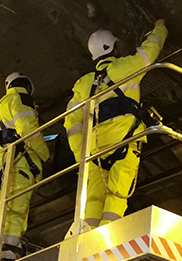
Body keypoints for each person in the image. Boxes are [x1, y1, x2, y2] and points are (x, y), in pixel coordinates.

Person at [64, 19, 168, 228]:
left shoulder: (83, 84)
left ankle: (86, 246)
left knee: (93, 200)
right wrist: (161, 28)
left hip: (94, 151)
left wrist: (81, 156)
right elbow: (150, 50)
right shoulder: (126, 66)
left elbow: (72, 123)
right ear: (114, 47)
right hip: (124, 140)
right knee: (117, 194)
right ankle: (105, 248)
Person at [0, 72, 50, 261]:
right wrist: (45, 154)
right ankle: (7, 254)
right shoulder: (20, 98)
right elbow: (28, 129)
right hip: (15, 162)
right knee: (15, 209)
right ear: (25, 86)